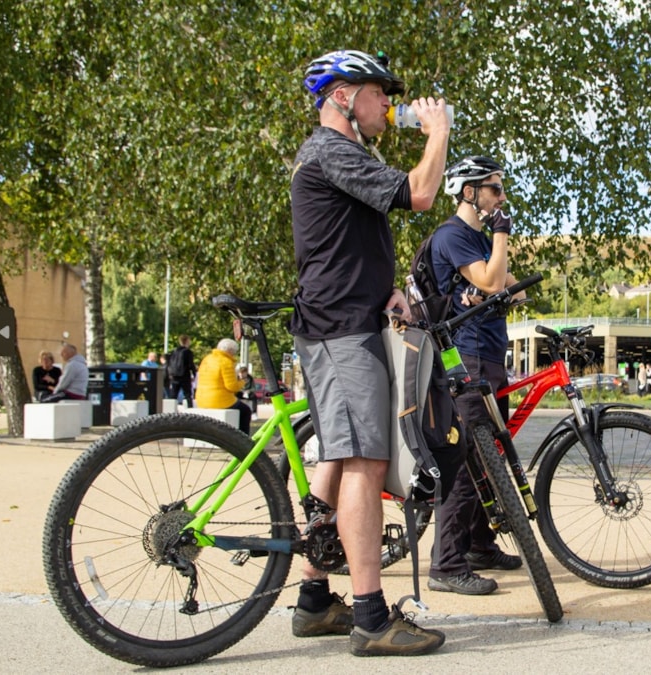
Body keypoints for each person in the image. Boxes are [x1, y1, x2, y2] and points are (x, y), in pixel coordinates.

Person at [287, 49, 450, 656]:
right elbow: (420, 193)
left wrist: (386, 290)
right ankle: (371, 619)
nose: (388, 102)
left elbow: (344, 241)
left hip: (348, 318)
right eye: (378, 91)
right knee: (363, 459)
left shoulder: (342, 154)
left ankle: (311, 599)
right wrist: (438, 131)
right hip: (339, 329)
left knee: (339, 450)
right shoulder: (332, 149)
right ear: (342, 97)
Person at [424, 156, 525, 597]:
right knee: (466, 460)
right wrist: (501, 234)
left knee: (491, 455)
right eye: (494, 189)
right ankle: (446, 564)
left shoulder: (479, 239)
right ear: (470, 192)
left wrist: (513, 286)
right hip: (462, 357)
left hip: (488, 353)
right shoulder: (452, 236)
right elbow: (487, 279)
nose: (502, 198)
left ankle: (479, 545)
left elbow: (504, 280)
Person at [195, 338, 252, 435]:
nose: (234, 354)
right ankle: (243, 440)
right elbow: (231, 387)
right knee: (246, 411)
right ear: (230, 351)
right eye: (234, 352)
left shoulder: (207, 358)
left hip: (201, 399)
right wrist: (242, 382)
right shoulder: (226, 362)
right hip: (219, 401)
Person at [167, 335, 197, 407]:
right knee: (187, 394)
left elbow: (169, 363)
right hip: (184, 375)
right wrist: (194, 374)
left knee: (173, 395)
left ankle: (170, 409)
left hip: (174, 375)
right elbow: (190, 364)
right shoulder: (187, 352)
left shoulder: (173, 351)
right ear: (187, 341)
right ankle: (190, 409)